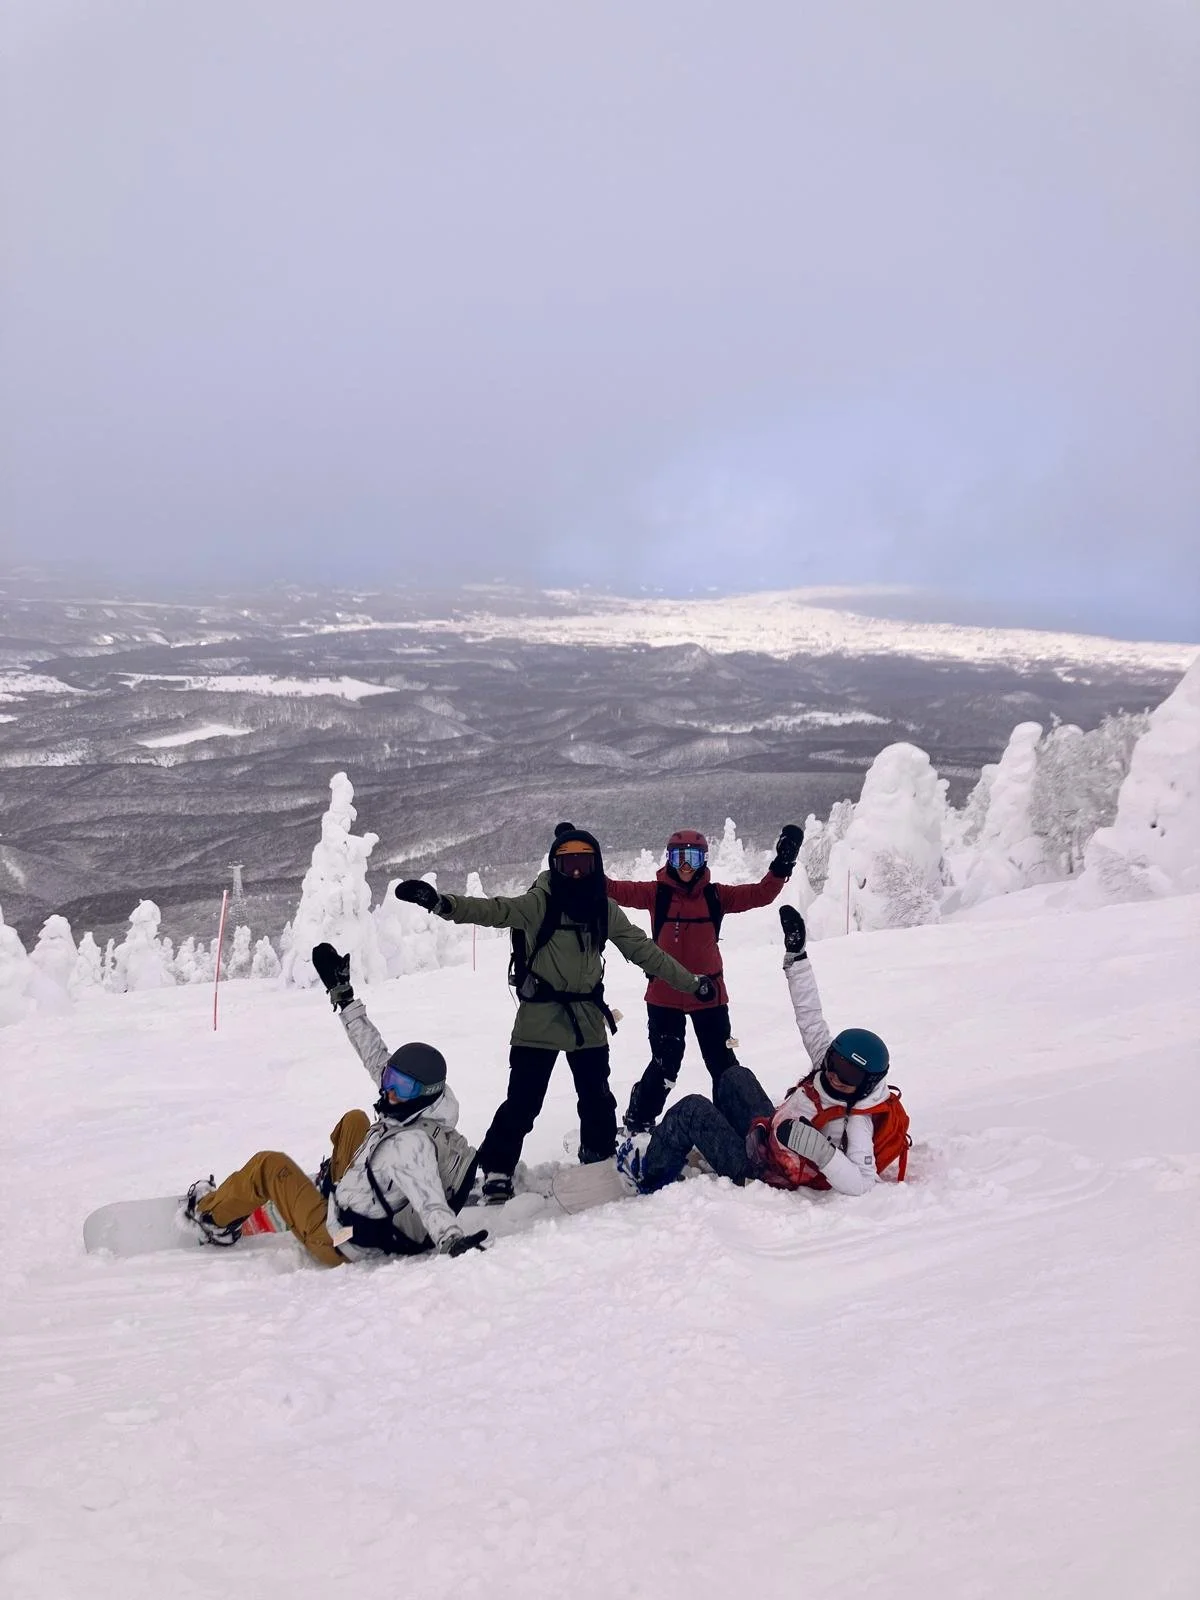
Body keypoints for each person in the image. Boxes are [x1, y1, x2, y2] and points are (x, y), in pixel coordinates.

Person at [393, 824, 715, 1204]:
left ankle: (597, 1157)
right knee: (524, 1101)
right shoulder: (540, 901)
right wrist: (442, 904)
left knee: (596, 1098)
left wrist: (692, 983)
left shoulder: (602, 907)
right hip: (541, 1018)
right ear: (555, 866)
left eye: (584, 862)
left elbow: (646, 951)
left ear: (595, 865)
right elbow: (494, 910)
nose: (577, 872)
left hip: (586, 1018)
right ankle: (497, 1168)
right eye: (568, 864)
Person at [178, 944, 488, 1265]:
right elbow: (375, 1054)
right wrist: (345, 999)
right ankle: (335, 1188)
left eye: (401, 1086)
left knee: (269, 1165)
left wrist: (451, 1239)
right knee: (354, 1120)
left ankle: (211, 1219)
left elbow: (429, 1201)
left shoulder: (411, 1143)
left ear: (425, 1091)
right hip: (365, 1208)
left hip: (343, 1240)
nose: (390, 1090)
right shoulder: (419, 1107)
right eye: (391, 1079)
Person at [615, 906, 909, 1198]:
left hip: (764, 1174)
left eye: (849, 1074)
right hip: (768, 1137)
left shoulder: (858, 1119)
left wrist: (823, 1153)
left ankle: (648, 1175)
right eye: (834, 1062)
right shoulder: (829, 1070)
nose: (834, 1075)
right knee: (734, 1075)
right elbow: (810, 1016)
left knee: (691, 1110)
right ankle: (721, 1139)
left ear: (867, 1082)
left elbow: (862, 1183)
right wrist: (797, 957)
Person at [605, 823, 804, 1132]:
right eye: (679, 858)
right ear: (668, 860)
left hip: (708, 994)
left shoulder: (715, 896)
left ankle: (734, 1121)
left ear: (704, 861)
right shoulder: (655, 894)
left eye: (693, 859)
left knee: (722, 1063)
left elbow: (761, 894)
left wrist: (782, 864)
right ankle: (639, 1120)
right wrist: (580, 861)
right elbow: (614, 889)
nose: (685, 866)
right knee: (665, 1063)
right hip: (664, 994)